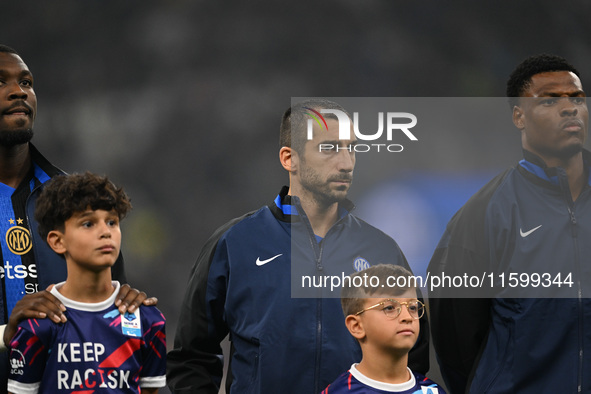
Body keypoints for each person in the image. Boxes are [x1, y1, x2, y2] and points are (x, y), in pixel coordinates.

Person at [167, 99, 429, 393]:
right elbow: (191, 358)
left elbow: (412, 360)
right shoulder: (235, 243)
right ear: (289, 158)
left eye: (352, 148)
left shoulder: (382, 249)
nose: (346, 163)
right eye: (330, 148)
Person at [427, 53, 591, 393]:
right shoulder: (484, 212)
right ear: (519, 116)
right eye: (549, 100)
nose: (570, 108)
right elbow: (455, 339)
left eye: (577, 98)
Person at [0, 44, 156, 390]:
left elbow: (111, 299)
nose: (18, 91)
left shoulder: (75, 199)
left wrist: (123, 303)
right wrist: (7, 333)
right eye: (1, 82)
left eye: (26, 82)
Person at [7, 172, 166, 393]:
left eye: (112, 222)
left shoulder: (149, 320)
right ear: (57, 241)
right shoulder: (38, 324)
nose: (105, 232)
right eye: (88, 223)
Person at [321, 264, 445, 394]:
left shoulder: (433, 391)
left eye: (413, 307)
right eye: (389, 308)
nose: (407, 317)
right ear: (356, 326)